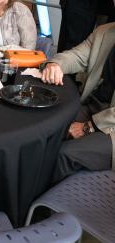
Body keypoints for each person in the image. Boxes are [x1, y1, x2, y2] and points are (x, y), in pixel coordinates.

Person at [41, 22, 115, 183]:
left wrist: (88, 127)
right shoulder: (105, 31)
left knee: (64, 154)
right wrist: (55, 64)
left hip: (112, 127)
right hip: (94, 106)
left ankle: (42, 207)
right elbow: (76, 56)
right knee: (45, 123)